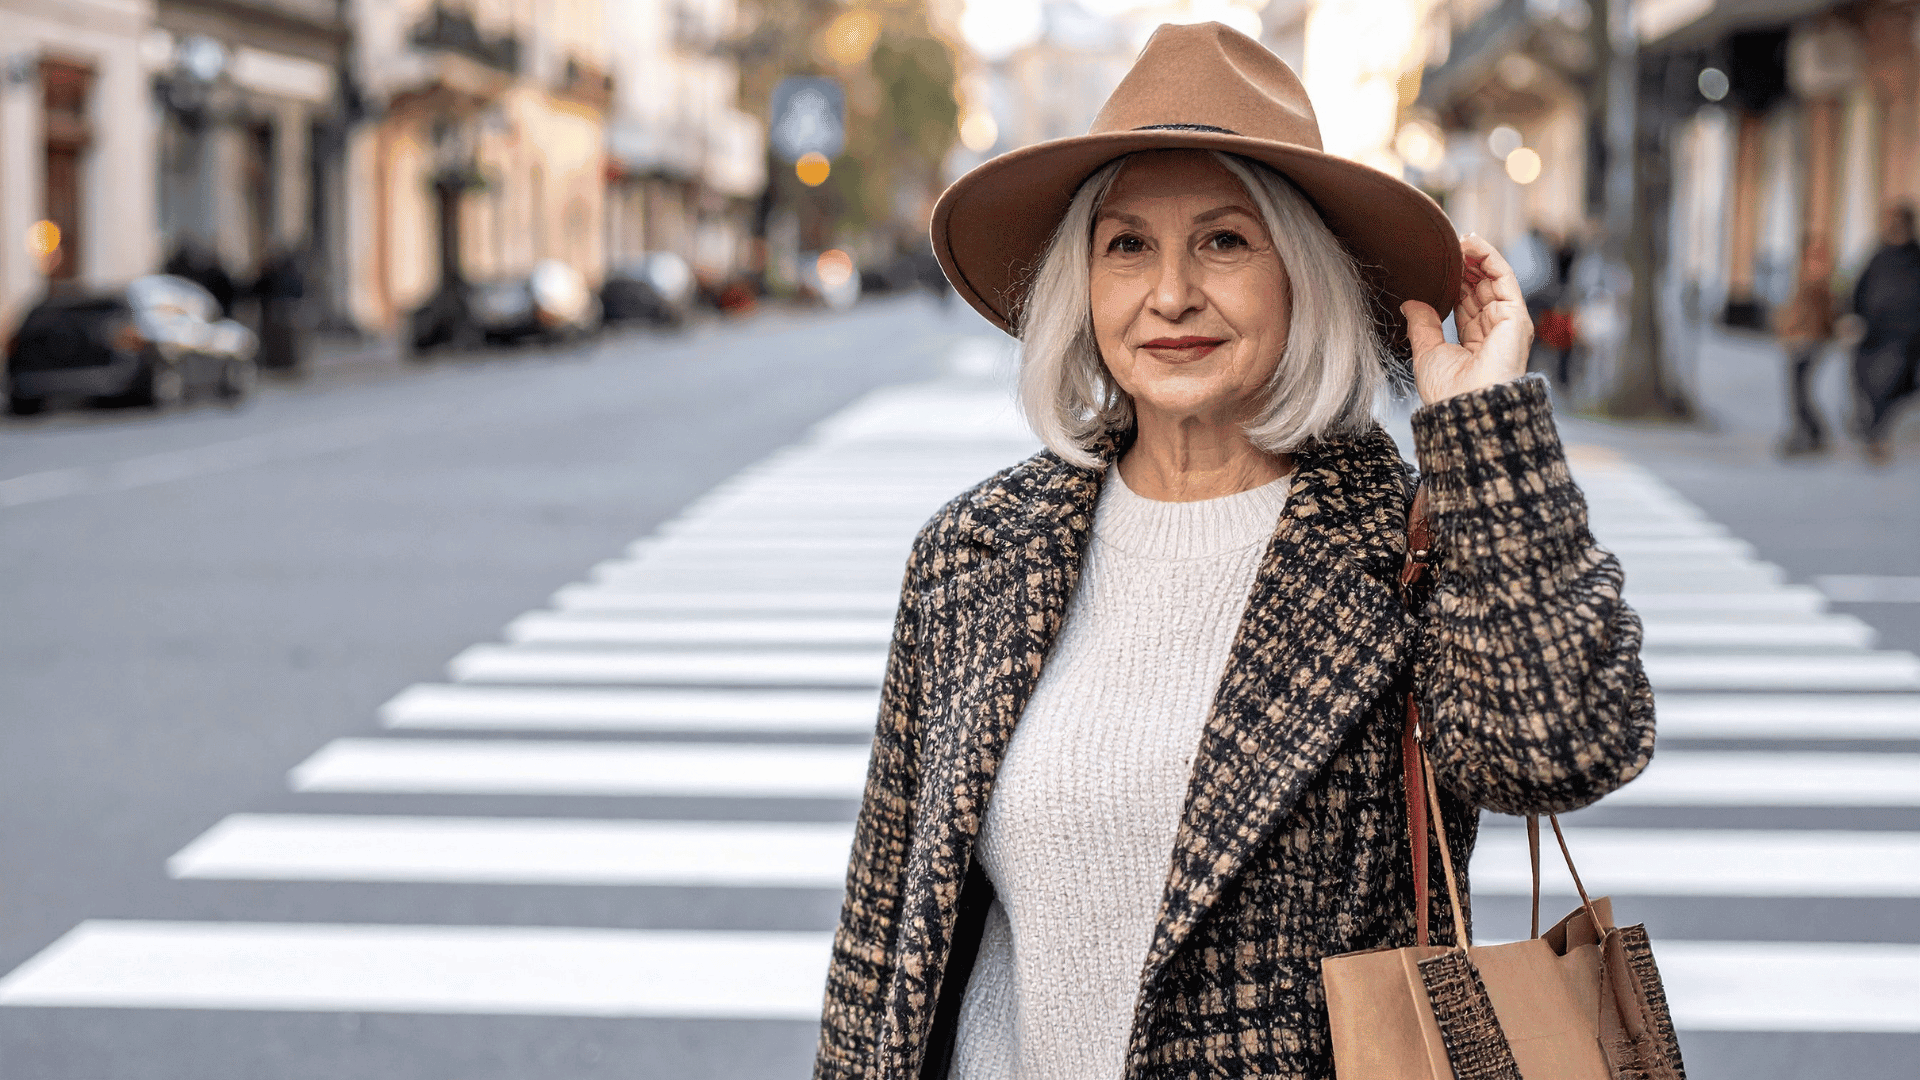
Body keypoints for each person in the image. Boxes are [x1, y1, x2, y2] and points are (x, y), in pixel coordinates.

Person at [814, 23, 1654, 1080]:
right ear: (1085, 283)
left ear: (1301, 275)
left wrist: (1484, 433)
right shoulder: (975, 552)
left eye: (1223, 241)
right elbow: (884, 935)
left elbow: (1562, 749)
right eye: (1127, 245)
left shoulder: (1406, 541)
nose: (1170, 294)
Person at [1850, 203, 1920, 465]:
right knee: (1866, 384)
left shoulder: (1916, 258)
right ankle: (1872, 431)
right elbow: (1860, 288)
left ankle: (1877, 434)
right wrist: (1855, 317)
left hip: (1907, 338)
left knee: (1894, 387)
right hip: (1874, 335)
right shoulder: (1879, 256)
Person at [1774, 236, 1837, 456]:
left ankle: (1811, 433)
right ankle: (1809, 432)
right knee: (1797, 390)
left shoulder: (1819, 282)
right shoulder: (1803, 279)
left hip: (1809, 342)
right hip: (1797, 341)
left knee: (1801, 390)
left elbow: (1822, 317)